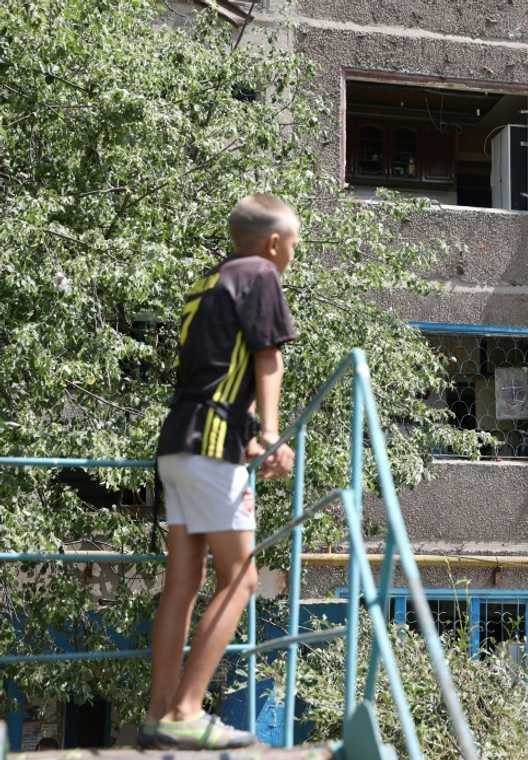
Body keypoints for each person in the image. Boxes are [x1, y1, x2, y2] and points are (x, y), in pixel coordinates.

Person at [139, 194, 299, 750]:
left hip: (177, 443)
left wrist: (249, 424)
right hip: (210, 447)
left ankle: (159, 711)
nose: (294, 253)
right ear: (274, 242)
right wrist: (273, 434)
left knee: (183, 582)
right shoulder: (261, 274)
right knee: (243, 579)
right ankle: (186, 710)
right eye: (295, 243)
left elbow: (214, 373)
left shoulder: (210, 281)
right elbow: (267, 358)